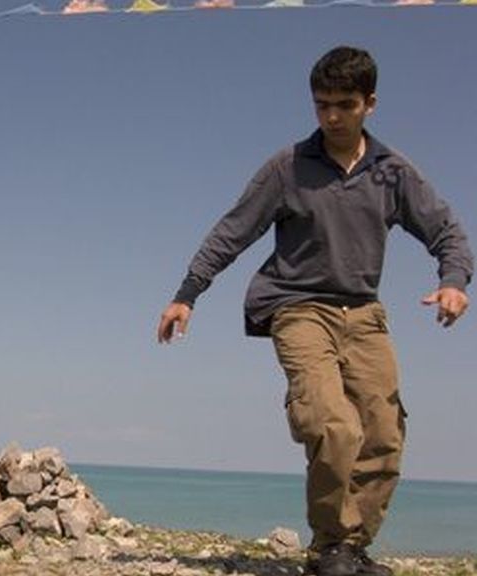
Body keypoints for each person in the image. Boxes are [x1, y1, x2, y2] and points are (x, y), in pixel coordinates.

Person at [156, 46, 473, 576]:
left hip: (366, 315)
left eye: (344, 105)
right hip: (298, 306)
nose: (331, 116)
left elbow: (447, 233)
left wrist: (454, 283)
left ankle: (350, 546)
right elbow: (233, 231)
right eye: (321, 104)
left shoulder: (393, 173)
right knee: (331, 424)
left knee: (383, 434)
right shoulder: (288, 167)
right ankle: (329, 547)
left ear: (369, 103)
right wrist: (187, 293)